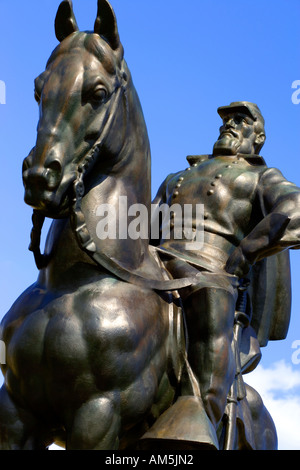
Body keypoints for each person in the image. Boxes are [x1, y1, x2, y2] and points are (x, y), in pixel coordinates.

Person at [151, 101, 300, 444]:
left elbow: (295, 210)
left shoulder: (260, 177)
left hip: (210, 273)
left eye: (240, 120)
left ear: (257, 136)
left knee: (210, 301)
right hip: (155, 264)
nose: (229, 124)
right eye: (227, 119)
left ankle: (200, 415)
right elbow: (143, 227)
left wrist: (247, 251)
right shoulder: (178, 176)